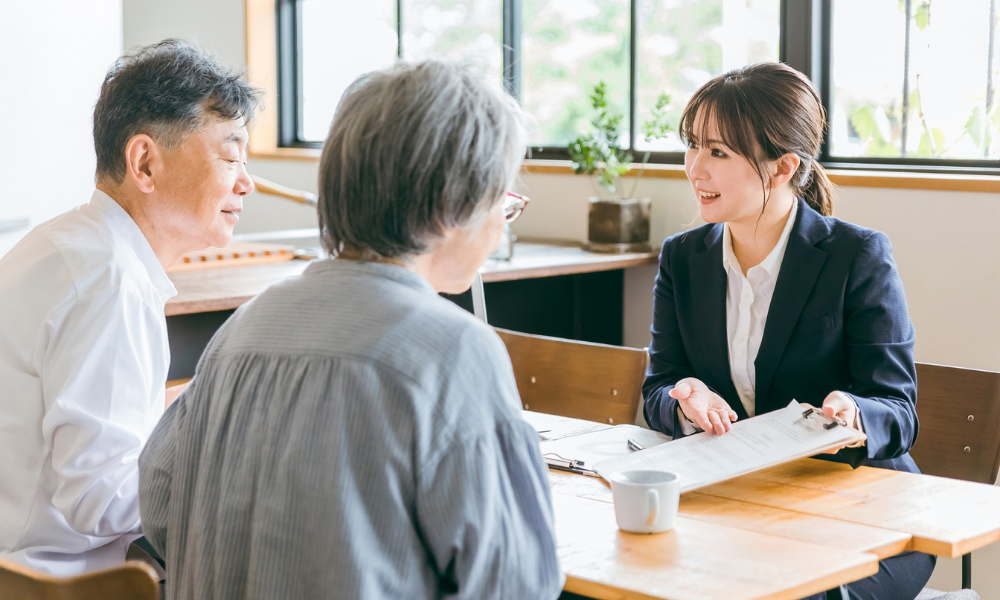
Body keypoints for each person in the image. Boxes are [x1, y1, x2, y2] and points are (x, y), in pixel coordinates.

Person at [138, 59, 562, 600]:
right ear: (453, 203)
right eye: (502, 198)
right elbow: (516, 584)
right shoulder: (454, 351)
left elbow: (159, 501)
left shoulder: (243, 329)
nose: (504, 219)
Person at [641, 63, 933, 600]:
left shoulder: (856, 255)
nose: (694, 169)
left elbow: (898, 410)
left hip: (863, 513)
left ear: (782, 168)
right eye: (692, 146)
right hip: (741, 507)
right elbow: (658, 388)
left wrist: (852, 411)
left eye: (718, 152)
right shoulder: (683, 259)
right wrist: (684, 400)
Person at [0, 39, 260, 575]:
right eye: (230, 155)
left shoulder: (67, 244)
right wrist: (232, 470)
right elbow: (100, 497)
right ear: (144, 162)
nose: (246, 182)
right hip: (53, 581)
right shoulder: (110, 282)